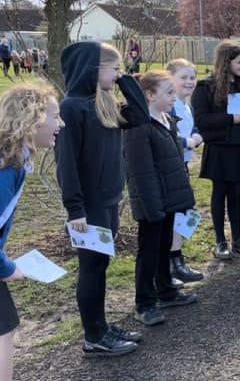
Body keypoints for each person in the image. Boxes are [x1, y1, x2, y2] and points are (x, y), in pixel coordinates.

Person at [55, 41, 148, 357]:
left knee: (102, 263)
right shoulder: (71, 107)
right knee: (92, 266)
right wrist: (74, 209)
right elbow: (66, 163)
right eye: (114, 68)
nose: (119, 73)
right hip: (89, 206)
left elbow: (141, 114)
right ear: (93, 70)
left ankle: (103, 327)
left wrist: (123, 80)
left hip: (109, 200)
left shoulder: (105, 103)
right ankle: (93, 336)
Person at [124, 71, 198, 326]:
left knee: (164, 245)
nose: (173, 96)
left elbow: (175, 164)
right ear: (149, 95)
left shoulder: (168, 120)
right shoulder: (139, 126)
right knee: (148, 251)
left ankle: (165, 290)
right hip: (152, 202)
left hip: (169, 199)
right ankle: (144, 303)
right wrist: (152, 207)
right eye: (167, 92)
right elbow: (141, 172)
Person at [0, 84, 64, 377]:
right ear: (33, 118)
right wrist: (5, 268)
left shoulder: (15, 160)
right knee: (3, 332)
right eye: (55, 116)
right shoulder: (8, 169)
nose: (60, 124)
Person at [192, 40, 240, 260]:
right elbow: (202, 119)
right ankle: (220, 240)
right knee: (219, 193)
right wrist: (230, 118)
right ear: (226, 62)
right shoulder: (205, 87)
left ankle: (237, 238)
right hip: (219, 148)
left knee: (236, 194)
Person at [165, 59, 204, 283]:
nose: (189, 82)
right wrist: (188, 141)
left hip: (184, 165)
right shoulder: (170, 106)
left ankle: (177, 259)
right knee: (176, 213)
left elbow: (193, 127)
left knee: (183, 212)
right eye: (184, 77)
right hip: (172, 167)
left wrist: (197, 136)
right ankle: (172, 262)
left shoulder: (188, 105)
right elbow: (168, 135)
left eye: (192, 77)